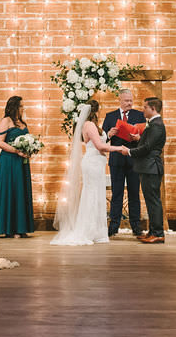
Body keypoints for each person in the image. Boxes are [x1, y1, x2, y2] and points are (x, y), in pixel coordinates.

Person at [52, 100, 126, 245]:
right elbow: (99, 146)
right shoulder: (89, 125)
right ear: (95, 111)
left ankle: (97, 231)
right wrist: (119, 148)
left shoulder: (90, 125)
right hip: (92, 163)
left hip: (96, 163)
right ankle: (88, 230)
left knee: (97, 195)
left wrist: (108, 135)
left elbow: (99, 141)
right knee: (91, 195)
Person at [119, 97, 167, 243]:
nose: (142, 109)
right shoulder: (152, 124)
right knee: (150, 200)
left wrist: (129, 152)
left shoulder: (157, 125)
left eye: (145, 107)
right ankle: (152, 231)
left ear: (153, 109)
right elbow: (147, 143)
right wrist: (138, 139)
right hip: (147, 166)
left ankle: (158, 233)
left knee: (153, 201)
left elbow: (147, 148)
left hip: (151, 166)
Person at [102, 89, 146, 236]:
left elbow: (146, 136)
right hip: (116, 160)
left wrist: (138, 138)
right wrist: (109, 134)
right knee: (117, 194)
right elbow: (102, 139)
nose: (129, 103)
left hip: (134, 160)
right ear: (119, 100)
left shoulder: (139, 115)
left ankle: (136, 226)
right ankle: (113, 226)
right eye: (126, 100)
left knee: (134, 194)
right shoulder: (110, 116)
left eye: (131, 100)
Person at [0, 96, 35, 237]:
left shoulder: (21, 122)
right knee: (10, 191)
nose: (23, 108)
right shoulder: (6, 121)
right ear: (14, 107)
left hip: (21, 162)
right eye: (21, 106)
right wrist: (16, 151)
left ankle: (21, 228)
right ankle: (9, 228)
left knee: (21, 191)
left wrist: (30, 149)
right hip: (9, 161)